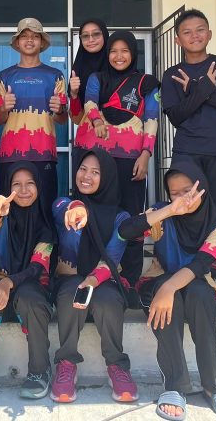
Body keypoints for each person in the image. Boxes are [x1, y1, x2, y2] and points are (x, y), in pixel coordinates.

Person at [119, 161, 216, 420]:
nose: (183, 198)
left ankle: (214, 385)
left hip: (195, 284)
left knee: (199, 293)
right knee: (170, 299)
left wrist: (169, 287)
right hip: (157, 281)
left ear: (202, 187)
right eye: (175, 193)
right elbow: (125, 231)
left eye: (188, 190)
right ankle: (175, 386)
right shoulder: (162, 213)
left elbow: (201, 264)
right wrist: (168, 211)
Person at [160, 9, 216, 310]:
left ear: (209, 34)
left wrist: (199, 91)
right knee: (183, 212)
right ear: (177, 39)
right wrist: (204, 90)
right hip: (187, 152)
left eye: (200, 30)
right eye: (187, 31)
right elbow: (177, 116)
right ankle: (183, 275)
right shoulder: (172, 74)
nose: (194, 36)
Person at [73, 30, 159, 298]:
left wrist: (146, 154)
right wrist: (97, 120)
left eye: (124, 51)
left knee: (132, 217)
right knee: (93, 214)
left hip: (131, 159)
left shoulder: (146, 83)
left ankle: (129, 278)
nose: (118, 56)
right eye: (113, 51)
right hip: (98, 159)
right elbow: (89, 101)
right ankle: (88, 271)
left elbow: (152, 118)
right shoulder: (97, 78)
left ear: (133, 53)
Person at [51, 148, 138, 404]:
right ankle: (66, 364)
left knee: (108, 301)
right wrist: (78, 207)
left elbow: (112, 256)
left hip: (104, 277)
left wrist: (91, 280)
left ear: (108, 177)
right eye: (82, 169)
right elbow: (62, 209)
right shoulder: (62, 204)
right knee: (71, 295)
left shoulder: (120, 217)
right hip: (69, 277)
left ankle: (117, 365)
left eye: (96, 172)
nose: (86, 176)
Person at [0, 161, 55, 404]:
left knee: (31, 300)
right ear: (7, 188)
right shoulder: (0, 215)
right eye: (17, 184)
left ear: (39, 187)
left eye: (30, 183)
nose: (23, 190)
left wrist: (9, 283)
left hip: (30, 282)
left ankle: (40, 371)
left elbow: (37, 267)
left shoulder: (45, 224)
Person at [0, 18, 67, 213]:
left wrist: (60, 110)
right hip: (10, 154)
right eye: (24, 36)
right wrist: (4, 108)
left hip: (44, 153)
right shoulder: (4, 76)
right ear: (17, 43)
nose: (29, 40)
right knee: (10, 212)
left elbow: (62, 119)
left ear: (42, 42)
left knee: (45, 211)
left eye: (35, 36)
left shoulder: (55, 75)